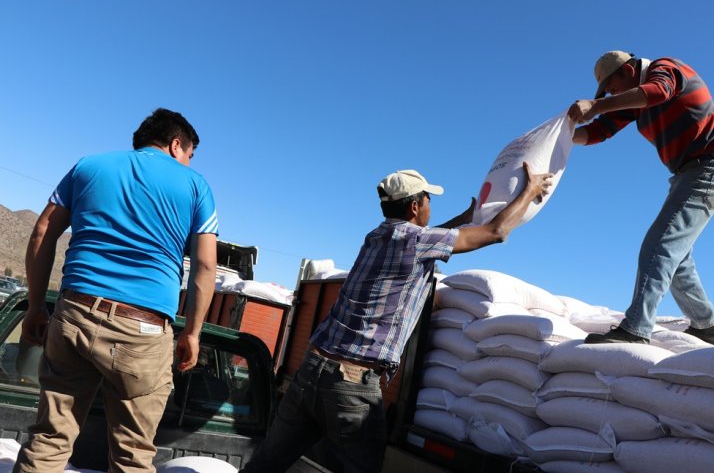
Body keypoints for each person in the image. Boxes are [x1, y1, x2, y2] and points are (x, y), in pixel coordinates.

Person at [241, 163, 552, 473]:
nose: (431, 204)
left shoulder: (376, 237)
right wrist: (529, 190)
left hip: (310, 371)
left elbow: (424, 238)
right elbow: (495, 232)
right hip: (351, 385)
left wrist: (464, 218)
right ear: (415, 206)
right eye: (429, 199)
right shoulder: (416, 244)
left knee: (267, 463)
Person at [13, 108, 219, 473]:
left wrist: (34, 308)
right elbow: (204, 266)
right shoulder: (196, 186)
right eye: (189, 154)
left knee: (49, 440)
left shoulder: (88, 167)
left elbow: (43, 231)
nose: (188, 162)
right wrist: (193, 333)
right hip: (143, 330)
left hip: (74, 313)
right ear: (176, 145)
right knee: (132, 457)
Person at [568, 50, 714, 345]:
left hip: (709, 168)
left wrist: (596, 104)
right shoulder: (633, 101)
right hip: (687, 174)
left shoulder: (666, 68)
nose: (611, 93)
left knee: (659, 245)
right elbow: (601, 131)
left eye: (611, 86)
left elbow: (658, 92)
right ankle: (706, 326)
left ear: (628, 72)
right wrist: (562, 136)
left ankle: (636, 328)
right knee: (677, 256)